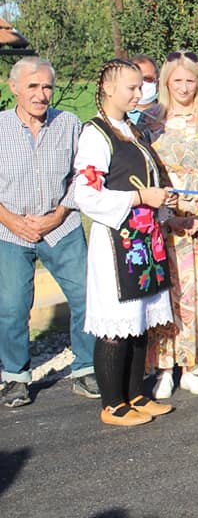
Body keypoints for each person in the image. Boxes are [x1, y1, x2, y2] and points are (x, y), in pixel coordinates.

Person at [74, 58, 175, 426]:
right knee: (116, 326)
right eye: (132, 88)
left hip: (144, 239)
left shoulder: (131, 129)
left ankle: (135, 394)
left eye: (140, 87)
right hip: (117, 242)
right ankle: (112, 403)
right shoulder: (95, 134)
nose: (138, 93)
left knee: (139, 320)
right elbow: (86, 194)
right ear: (108, 88)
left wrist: (161, 199)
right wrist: (139, 198)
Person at [0, 57, 98, 407]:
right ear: (14, 87)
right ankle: (15, 377)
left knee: (86, 296)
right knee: (12, 306)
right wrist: (11, 220)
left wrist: (57, 215)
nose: (41, 94)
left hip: (61, 227)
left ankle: (85, 368)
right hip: (10, 230)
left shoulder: (68, 123)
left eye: (47, 87)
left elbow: (82, 175)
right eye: (33, 86)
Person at [148, 52, 198, 398]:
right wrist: (168, 214)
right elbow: (145, 172)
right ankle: (165, 366)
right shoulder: (150, 119)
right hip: (164, 219)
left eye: (190, 80)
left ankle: (193, 367)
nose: (183, 87)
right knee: (168, 294)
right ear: (166, 82)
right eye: (177, 80)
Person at [128, 55, 164, 142]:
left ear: (158, 82)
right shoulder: (118, 117)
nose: (141, 83)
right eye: (136, 79)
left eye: (147, 79)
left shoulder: (168, 115)